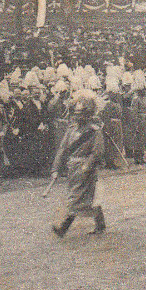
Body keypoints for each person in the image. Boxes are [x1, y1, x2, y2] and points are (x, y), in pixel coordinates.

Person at [48, 89, 106, 237]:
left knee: (77, 196)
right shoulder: (71, 129)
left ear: (88, 114)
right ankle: (100, 223)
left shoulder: (94, 131)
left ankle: (63, 227)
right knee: (85, 198)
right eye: (76, 114)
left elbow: (97, 152)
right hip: (72, 168)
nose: (77, 117)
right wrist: (55, 168)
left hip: (86, 168)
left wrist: (87, 166)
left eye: (81, 114)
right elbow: (62, 149)